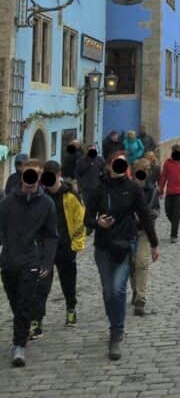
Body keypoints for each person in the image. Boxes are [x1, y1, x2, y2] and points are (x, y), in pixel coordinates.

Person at [85, 155, 159, 360]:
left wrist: (154, 243)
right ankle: (114, 322)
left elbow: (144, 215)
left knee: (118, 289)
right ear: (108, 166)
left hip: (125, 244)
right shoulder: (98, 189)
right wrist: (97, 222)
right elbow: (87, 218)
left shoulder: (133, 189)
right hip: (103, 246)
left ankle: (116, 332)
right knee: (108, 290)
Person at [0, 160, 58, 367]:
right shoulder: (7, 203)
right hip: (8, 262)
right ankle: (22, 329)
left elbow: (52, 236)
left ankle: (19, 346)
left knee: (25, 303)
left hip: (31, 261)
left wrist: (47, 261)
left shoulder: (46, 204)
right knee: (16, 303)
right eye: (28, 174)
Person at [36, 164, 85, 332]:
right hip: (45, 249)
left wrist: (75, 245)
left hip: (65, 246)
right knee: (41, 285)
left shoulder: (70, 195)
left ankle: (71, 309)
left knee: (68, 283)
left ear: (59, 175)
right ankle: (37, 320)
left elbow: (79, 221)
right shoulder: (40, 196)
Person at [130, 163, 160, 316]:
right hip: (128, 232)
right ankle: (135, 290)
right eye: (139, 171)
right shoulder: (127, 188)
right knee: (131, 264)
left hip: (144, 231)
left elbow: (156, 210)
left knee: (141, 262)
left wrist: (147, 214)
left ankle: (141, 299)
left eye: (145, 171)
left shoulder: (152, 189)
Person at [158, 145, 180, 243]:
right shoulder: (168, 163)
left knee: (176, 212)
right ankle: (175, 224)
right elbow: (164, 176)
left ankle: (174, 235)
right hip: (170, 190)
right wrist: (160, 190)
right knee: (168, 210)